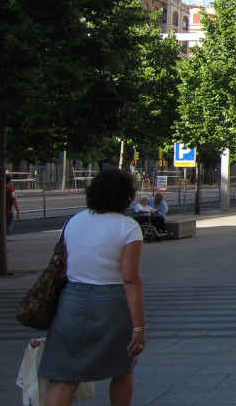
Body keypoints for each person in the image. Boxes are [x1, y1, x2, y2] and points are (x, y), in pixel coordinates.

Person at [38, 168, 146, 406]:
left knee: (67, 375)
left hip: (72, 300)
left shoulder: (73, 221)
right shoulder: (128, 227)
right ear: (126, 196)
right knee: (122, 368)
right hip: (111, 304)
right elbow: (130, 279)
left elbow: (63, 268)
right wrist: (139, 327)